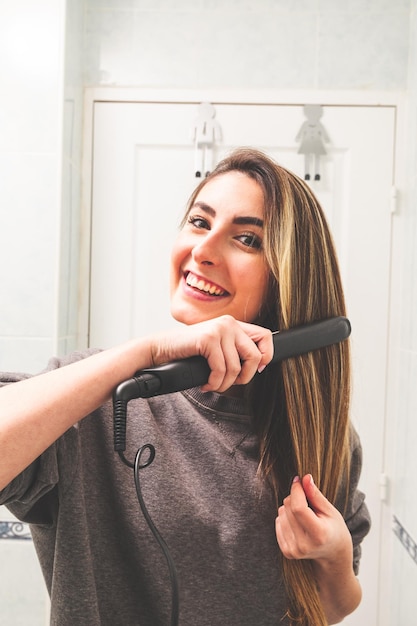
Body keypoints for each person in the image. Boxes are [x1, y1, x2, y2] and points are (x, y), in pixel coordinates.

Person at [0, 148, 370, 626]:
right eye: (199, 222)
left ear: (289, 279)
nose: (203, 250)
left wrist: (336, 558)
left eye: (246, 238)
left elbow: (328, 608)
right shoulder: (100, 404)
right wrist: (149, 351)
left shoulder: (324, 437)